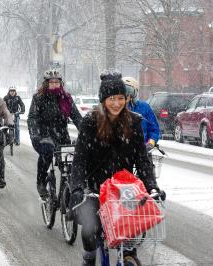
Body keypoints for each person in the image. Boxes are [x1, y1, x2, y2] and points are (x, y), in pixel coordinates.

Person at [69, 71, 161, 265]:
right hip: (95, 187)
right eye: (112, 98)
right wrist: (77, 187)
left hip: (124, 188)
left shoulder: (134, 122)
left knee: (130, 229)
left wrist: (151, 186)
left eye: (121, 98)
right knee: (89, 228)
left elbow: (142, 160)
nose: (117, 103)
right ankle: (89, 257)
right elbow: (80, 160)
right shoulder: (90, 122)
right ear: (103, 100)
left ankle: (128, 255)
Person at [27, 69, 82, 197]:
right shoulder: (39, 98)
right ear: (46, 83)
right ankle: (41, 182)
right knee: (46, 153)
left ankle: (68, 190)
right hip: (43, 136)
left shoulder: (66, 98)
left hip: (62, 136)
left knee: (69, 163)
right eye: (51, 82)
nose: (54, 84)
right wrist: (35, 134)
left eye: (57, 82)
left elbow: (77, 117)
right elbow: (32, 118)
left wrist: (85, 131)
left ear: (61, 83)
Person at [123, 77, 160, 151]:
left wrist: (151, 142)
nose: (124, 97)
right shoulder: (113, 109)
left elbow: (154, 129)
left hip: (141, 150)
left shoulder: (144, 107)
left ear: (133, 94)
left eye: (127, 93)